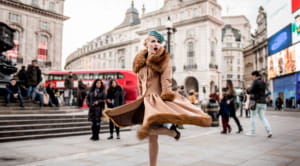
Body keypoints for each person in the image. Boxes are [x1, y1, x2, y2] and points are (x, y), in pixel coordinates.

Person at [104, 30, 211, 166]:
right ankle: (154, 162)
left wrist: (166, 94)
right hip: (145, 100)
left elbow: (166, 78)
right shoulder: (139, 62)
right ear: (146, 43)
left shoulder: (162, 59)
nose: (156, 44)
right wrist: (140, 99)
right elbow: (140, 83)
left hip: (156, 100)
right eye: (153, 41)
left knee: (150, 131)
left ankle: (171, 133)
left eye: (159, 42)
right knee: (151, 137)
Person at [247, 71, 272, 138]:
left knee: (253, 116)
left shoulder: (255, 81)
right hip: (263, 102)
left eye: (252, 76)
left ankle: (253, 132)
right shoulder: (263, 82)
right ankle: (269, 130)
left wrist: (248, 88)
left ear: (255, 75)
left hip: (255, 101)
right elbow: (266, 92)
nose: (252, 78)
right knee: (263, 117)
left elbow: (250, 91)